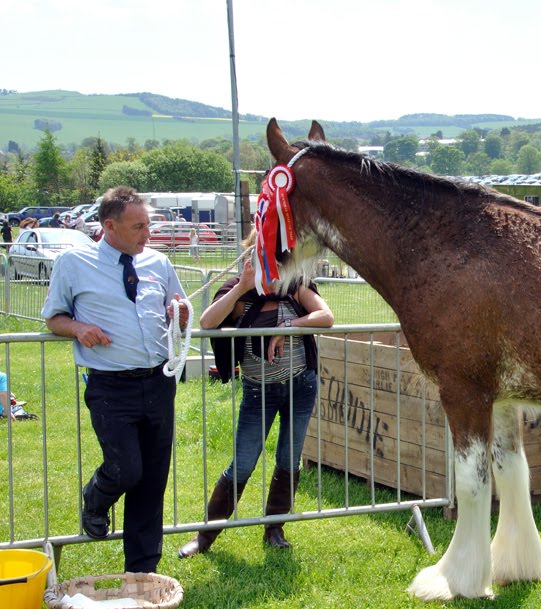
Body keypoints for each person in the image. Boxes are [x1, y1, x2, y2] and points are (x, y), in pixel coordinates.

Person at [42, 186, 187, 573]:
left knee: (152, 480)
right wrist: (76, 327)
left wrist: (181, 314)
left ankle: (142, 571)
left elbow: (178, 307)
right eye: (138, 226)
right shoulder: (74, 263)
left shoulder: (158, 263)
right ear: (109, 226)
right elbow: (54, 317)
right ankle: (96, 496)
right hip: (111, 387)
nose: (148, 234)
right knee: (126, 469)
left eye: (149, 225)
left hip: (157, 382)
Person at [177, 253, 333, 558]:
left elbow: (325, 317)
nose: (275, 274)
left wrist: (288, 324)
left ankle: (274, 528)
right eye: (268, 266)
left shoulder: (295, 286)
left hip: (300, 386)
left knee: (289, 459)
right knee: (243, 462)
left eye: (280, 266)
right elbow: (207, 322)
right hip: (259, 391)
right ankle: (205, 537)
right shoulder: (239, 291)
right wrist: (241, 287)